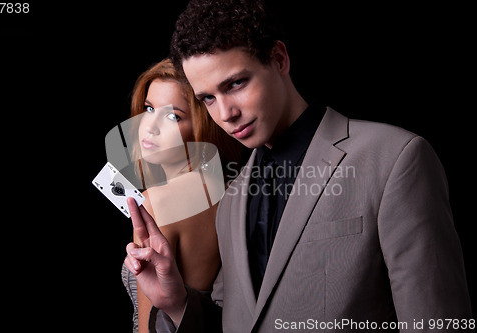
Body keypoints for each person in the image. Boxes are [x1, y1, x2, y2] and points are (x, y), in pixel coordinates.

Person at [125, 1, 473, 332]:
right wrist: (176, 302)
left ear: (279, 59)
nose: (226, 114)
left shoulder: (394, 159)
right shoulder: (231, 198)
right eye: (208, 98)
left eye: (235, 84)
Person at [121, 58, 243, 333]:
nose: (150, 126)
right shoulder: (230, 189)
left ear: (204, 123)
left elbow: (148, 327)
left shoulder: (154, 202)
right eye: (149, 109)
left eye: (173, 116)